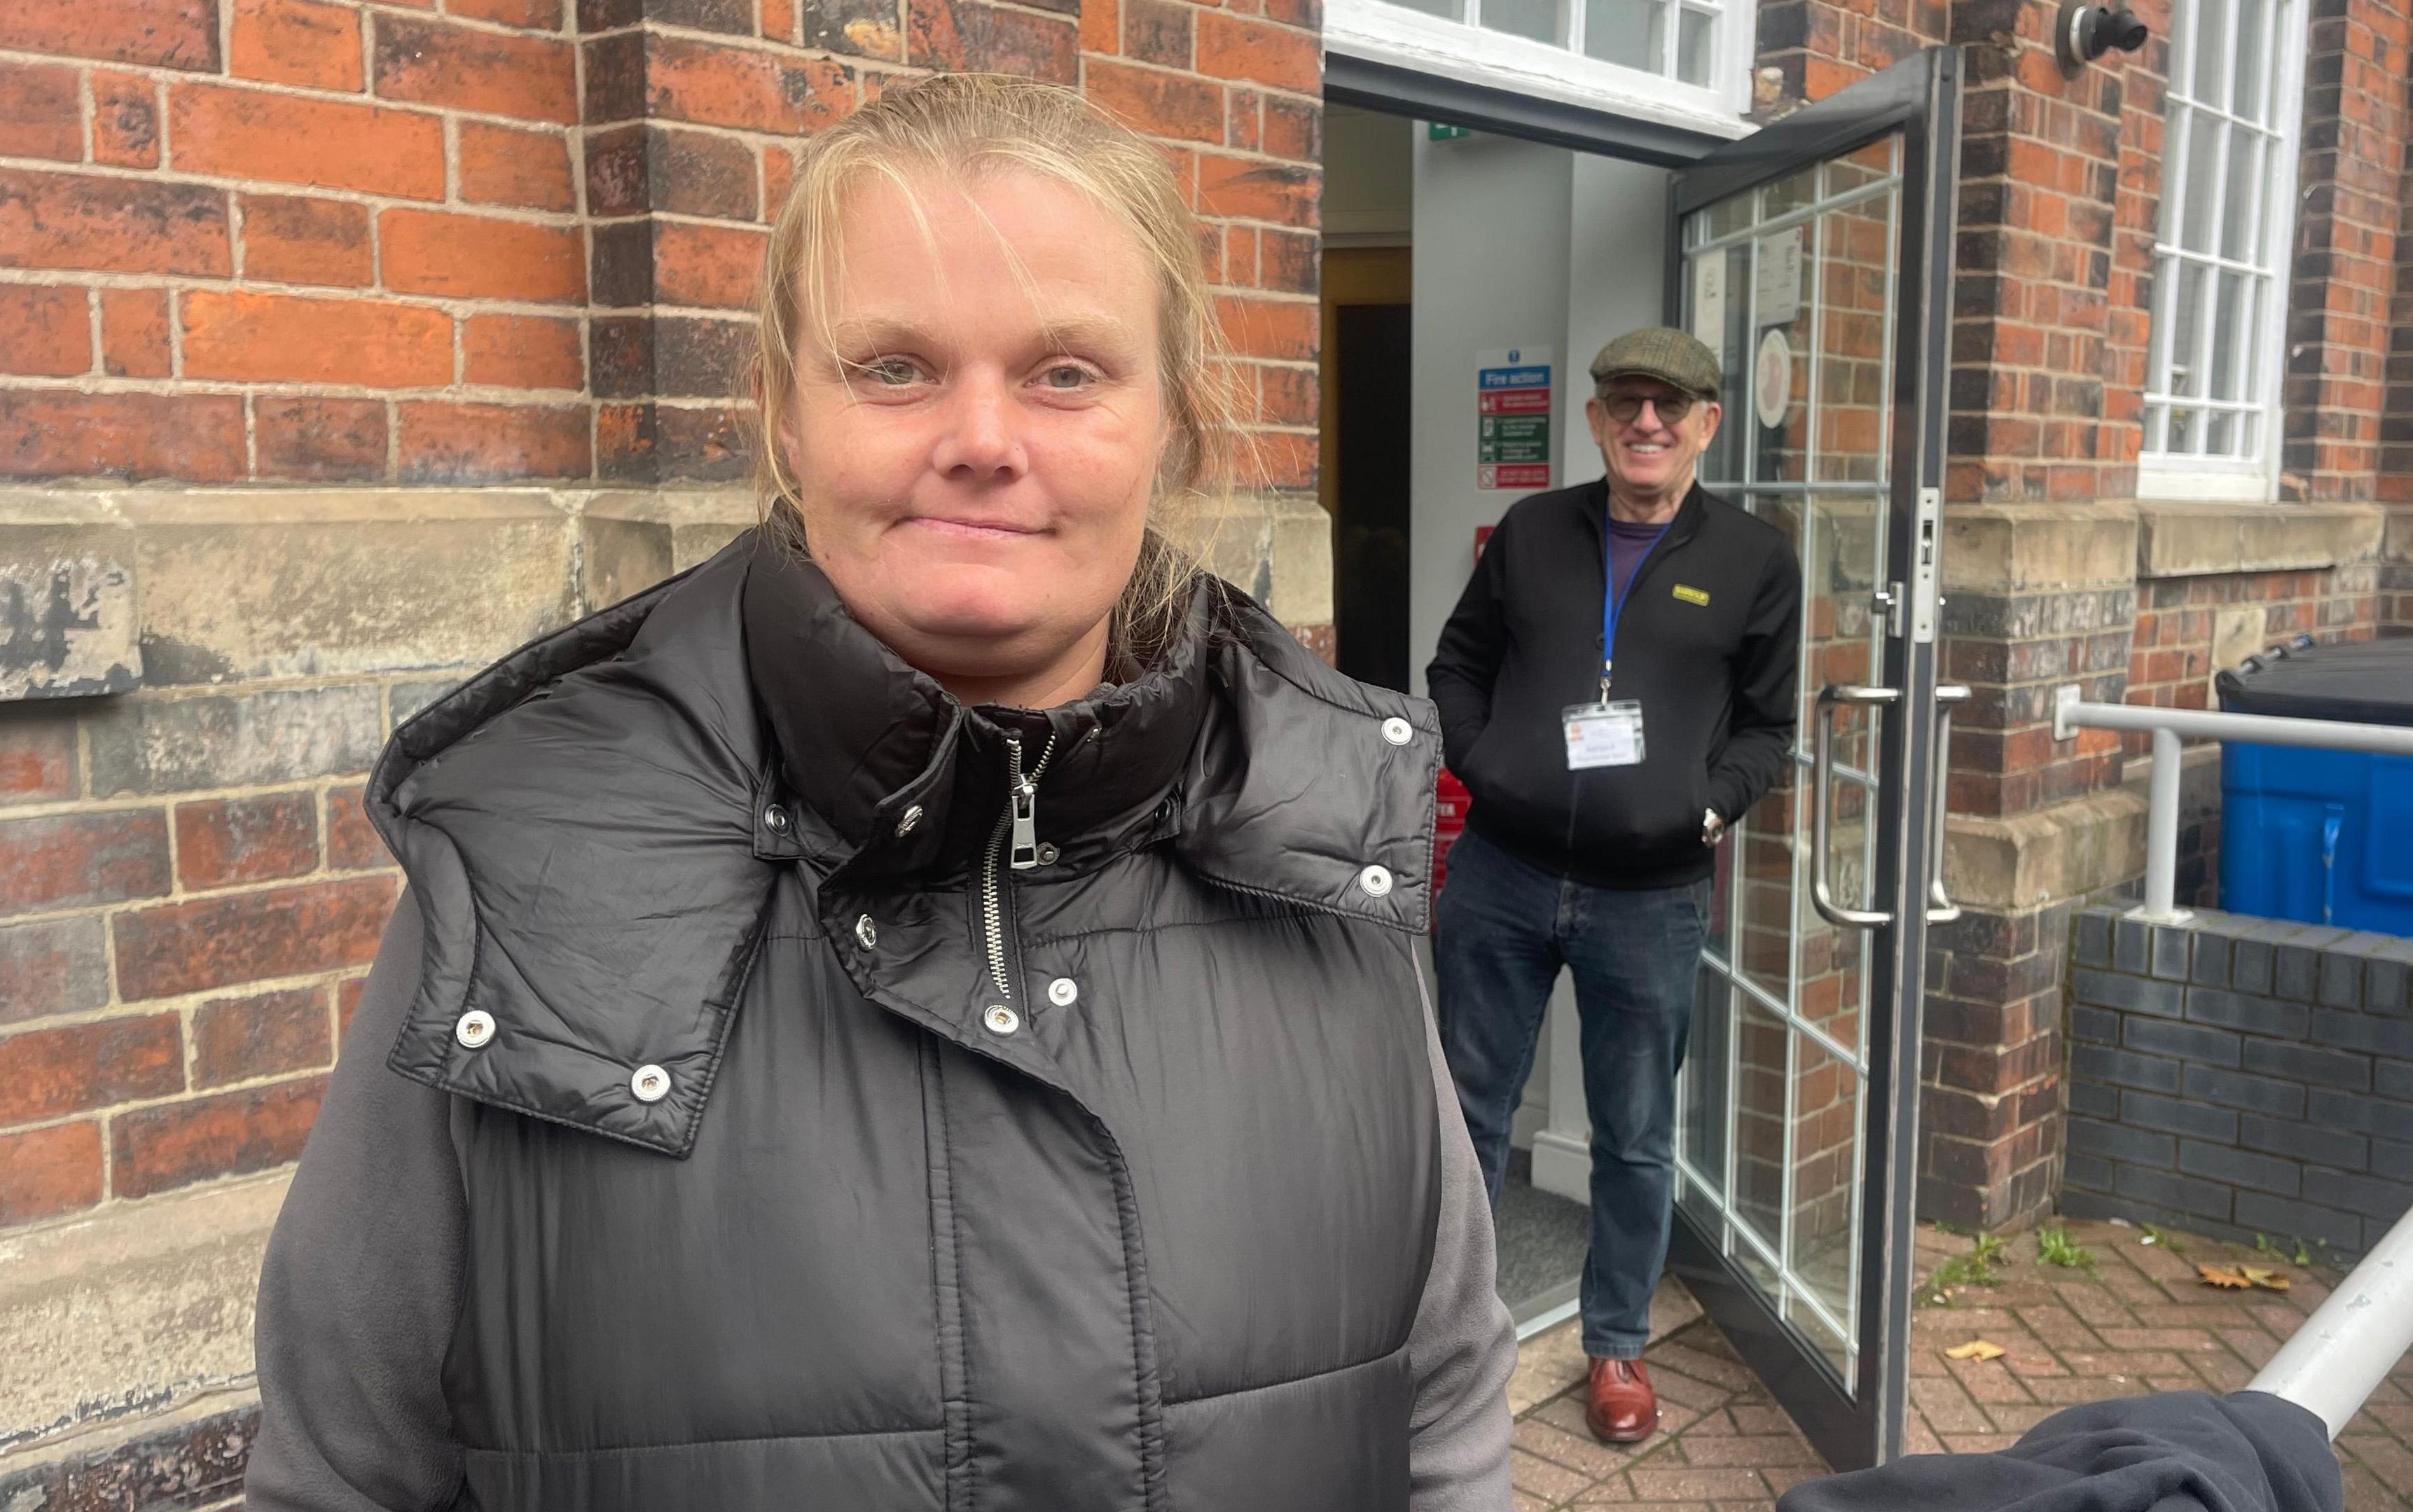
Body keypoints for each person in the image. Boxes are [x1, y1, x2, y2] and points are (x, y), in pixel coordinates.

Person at [244, 74, 1514, 1512]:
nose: (982, 435)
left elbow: (1448, 1409)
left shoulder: (1322, 839)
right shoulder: (532, 868)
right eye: (894, 367)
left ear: (1174, 420)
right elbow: (343, 1470)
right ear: (784, 413)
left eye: (1067, 372)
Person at [1427, 326, 1799, 1445]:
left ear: (1706, 426)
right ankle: (1449, 1345)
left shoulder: (1752, 558)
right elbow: (1459, 663)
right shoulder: (1535, 531)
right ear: (1595, 419)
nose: (1648, 423)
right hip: (1503, 871)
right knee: (1466, 1115)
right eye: (1628, 402)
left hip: (1653, 895)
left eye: (1671, 407)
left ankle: (1618, 1346)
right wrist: (1484, 762)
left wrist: (1710, 803)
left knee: (1635, 1136)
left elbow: (1772, 725)